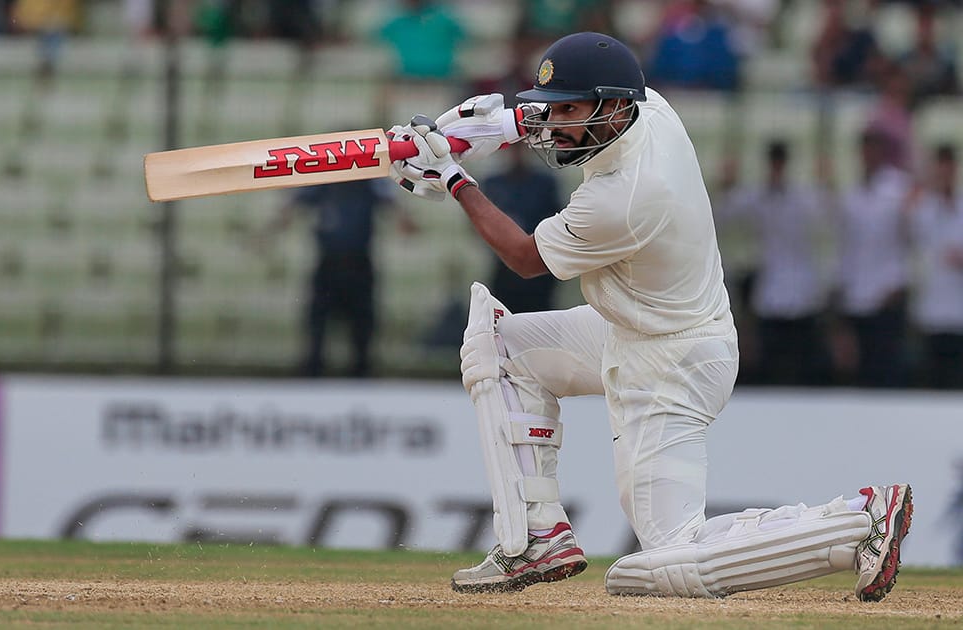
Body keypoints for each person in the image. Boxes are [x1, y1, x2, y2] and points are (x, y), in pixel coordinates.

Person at [386, 32, 911, 600]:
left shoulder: (626, 196)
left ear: (613, 107)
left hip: (671, 364)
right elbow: (543, 110)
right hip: (631, 329)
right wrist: (467, 128)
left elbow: (525, 258)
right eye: (553, 108)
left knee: (661, 566)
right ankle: (537, 538)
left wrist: (454, 178)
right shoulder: (649, 106)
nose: (555, 125)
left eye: (570, 111)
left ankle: (858, 520)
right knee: (501, 347)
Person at [255, 179, 414, 378]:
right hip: (329, 264)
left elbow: (394, 206)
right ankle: (313, 379)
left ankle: (360, 382)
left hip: (358, 265)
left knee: (362, 333)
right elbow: (293, 205)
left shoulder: (368, 180)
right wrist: (270, 231)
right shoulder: (325, 179)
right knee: (317, 332)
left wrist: (404, 219)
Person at [716, 139, 833, 385]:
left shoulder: (802, 198)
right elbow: (722, 216)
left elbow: (829, 216)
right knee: (771, 368)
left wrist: (827, 183)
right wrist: (726, 183)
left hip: (803, 296)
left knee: (803, 369)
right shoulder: (758, 197)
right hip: (770, 296)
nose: (777, 168)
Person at [835, 129, 913, 388]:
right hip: (858, 296)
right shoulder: (852, 194)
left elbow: (910, 237)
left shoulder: (899, 189)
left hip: (887, 293)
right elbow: (849, 247)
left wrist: (901, 280)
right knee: (861, 373)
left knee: (887, 370)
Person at [903, 143, 963, 389]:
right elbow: (905, 235)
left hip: (959, 314)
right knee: (931, 385)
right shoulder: (922, 209)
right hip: (931, 313)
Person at [482, 147, 562, 314]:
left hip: (539, 264)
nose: (516, 154)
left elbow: (555, 219)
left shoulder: (545, 184)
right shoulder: (493, 184)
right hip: (505, 267)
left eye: (519, 149)